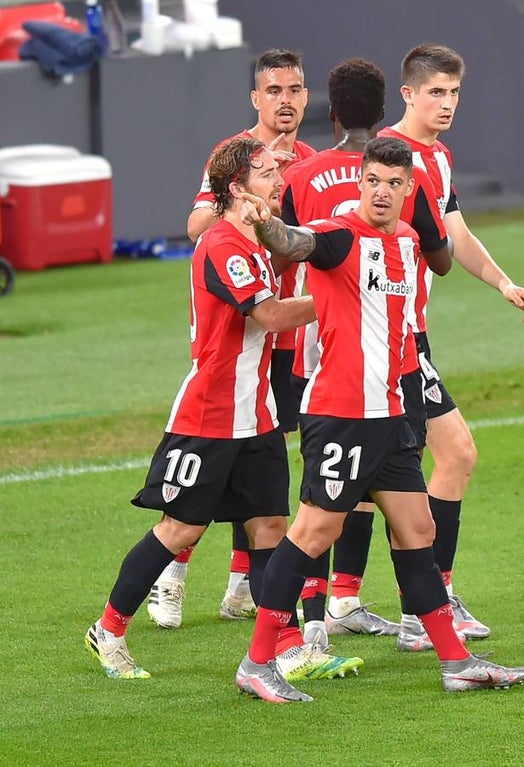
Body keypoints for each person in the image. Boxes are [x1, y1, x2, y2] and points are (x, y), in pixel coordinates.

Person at [233, 137, 524, 703]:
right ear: (361, 182)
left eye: (394, 183)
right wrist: (268, 225)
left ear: (409, 189)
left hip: (394, 414)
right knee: (314, 531)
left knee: (419, 531)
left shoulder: (412, 240)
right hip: (342, 415)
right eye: (373, 180)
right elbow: (298, 242)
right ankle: (257, 663)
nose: (381, 191)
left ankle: (456, 662)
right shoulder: (340, 234)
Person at [84, 136, 334, 680]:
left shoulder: (256, 243)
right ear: (236, 188)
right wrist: (339, 297)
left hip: (257, 415)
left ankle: (286, 646)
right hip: (209, 416)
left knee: (270, 526)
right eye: (267, 172)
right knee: (180, 531)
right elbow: (268, 317)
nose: (279, 179)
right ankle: (108, 631)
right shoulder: (222, 245)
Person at [278, 57, 454, 651]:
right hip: (360, 374)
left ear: (327, 109)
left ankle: (331, 621)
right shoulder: (408, 178)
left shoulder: (302, 175)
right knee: (321, 517)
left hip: (323, 359)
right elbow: (441, 253)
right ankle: (303, 635)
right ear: (386, 110)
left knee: (359, 507)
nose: (381, 189)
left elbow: (286, 255)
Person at [148, 49, 317, 630]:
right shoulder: (238, 157)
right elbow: (199, 226)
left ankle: (243, 588)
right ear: (256, 99)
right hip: (246, 322)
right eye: (274, 90)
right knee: (215, 462)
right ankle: (170, 578)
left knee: (261, 469)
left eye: (294, 89)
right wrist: (254, 215)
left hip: (288, 336)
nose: (286, 100)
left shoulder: (313, 162)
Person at [379, 43, 524, 651]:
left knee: (395, 473)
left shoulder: (439, 159)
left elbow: (455, 232)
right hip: (384, 339)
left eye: (454, 94)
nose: (447, 105)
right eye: (436, 93)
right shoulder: (388, 158)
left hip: (410, 334)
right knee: (450, 456)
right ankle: (422, 606)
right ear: (409, 94)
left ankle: (412, 605)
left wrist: (502, 281)